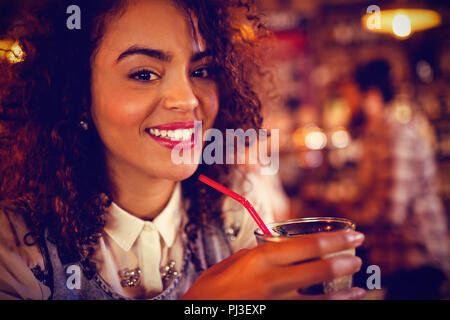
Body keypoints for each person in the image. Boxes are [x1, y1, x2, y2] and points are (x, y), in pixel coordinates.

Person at [0, 0, 365, 300]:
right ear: (78, 96)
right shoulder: (15, 244)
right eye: (144, 74)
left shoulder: (235, 204)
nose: (188, 100)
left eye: (202, 71)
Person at [337, 60, 449, 299]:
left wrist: (342, 217)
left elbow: (391, 213)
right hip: (394, 262)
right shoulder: (376, 136)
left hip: (419, 264)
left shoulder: (395, 136)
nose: (347, 106)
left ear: (371, 95)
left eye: (350, 97)